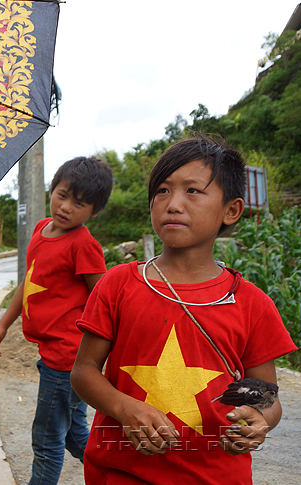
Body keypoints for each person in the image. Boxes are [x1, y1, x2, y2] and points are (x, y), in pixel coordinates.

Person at [71, 135, 297, 484]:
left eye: (192, 191)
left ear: (231, 210)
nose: (173, 204)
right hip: (120, 472)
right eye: (162, 190)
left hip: (217, 474)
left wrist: (259, 418)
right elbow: (84, 371)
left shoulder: (251, 303)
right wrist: (124, 408)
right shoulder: (119, 284)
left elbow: (265, 396)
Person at [0, 156, 114, 484]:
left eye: (80, 203)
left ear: (94, 212)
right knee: (71, 434)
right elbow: (29, 283)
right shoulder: (42, 229)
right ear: (52, 190)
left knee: (46, 439)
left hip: (66, 357)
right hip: (51, 354)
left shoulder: (84, 245)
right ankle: (117, 473)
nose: (66, 207)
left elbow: (104, 300)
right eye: (61, 194)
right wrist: (3, 324)